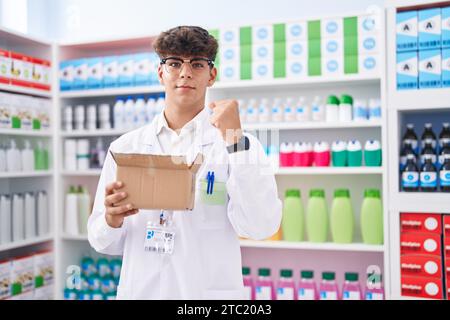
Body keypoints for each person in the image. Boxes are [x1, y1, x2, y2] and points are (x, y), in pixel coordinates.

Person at [88, 26, 282, 299]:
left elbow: (261, 226)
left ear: (211, 75)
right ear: (160, 73)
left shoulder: (237, 145)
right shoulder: (125, 148)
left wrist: (235, 140)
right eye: (174, 63)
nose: (185, 72)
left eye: (198, 64)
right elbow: (101, 241)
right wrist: (110, 219)